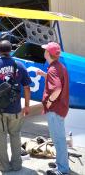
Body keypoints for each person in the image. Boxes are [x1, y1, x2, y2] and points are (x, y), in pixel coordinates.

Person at [0, 40, 32, 173]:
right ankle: (16, 165)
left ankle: (4, 167)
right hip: (15, 109)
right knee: (15, 136)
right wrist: (26, 106)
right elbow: (27, 87)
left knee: (0, 138)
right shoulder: (19, 65)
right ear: (11, 50)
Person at [37, 42, 69, 175]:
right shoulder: (58, 66)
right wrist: (45, 75)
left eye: (45, 50)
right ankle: (61, 162)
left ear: (48, 54)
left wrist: (49, 102)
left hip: (55, 109)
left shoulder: (53, 69)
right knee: (58, 138)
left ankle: (62, 169)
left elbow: (57, 88)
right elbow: (58, 80)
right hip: (61, 108)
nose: (43, 51)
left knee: (58, 139)